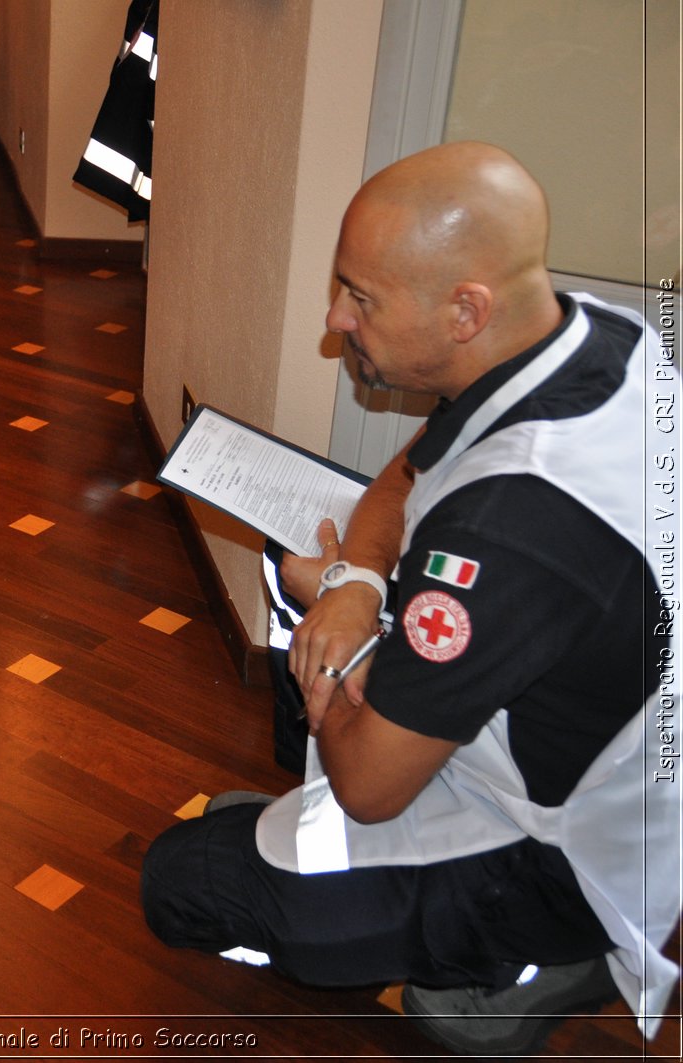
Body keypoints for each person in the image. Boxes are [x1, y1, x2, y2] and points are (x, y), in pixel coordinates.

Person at [140, 141, 679, 1056]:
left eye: (361, 296)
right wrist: (354, 585)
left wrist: (329, 631)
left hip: (573, 846)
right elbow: (412, 464)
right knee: (319, 635)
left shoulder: (512, 528)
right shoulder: (594, 335)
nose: (334, 315)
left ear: (466, 310)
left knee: (178, 882)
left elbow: (369, 785)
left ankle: (543, 952)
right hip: (606, 739)